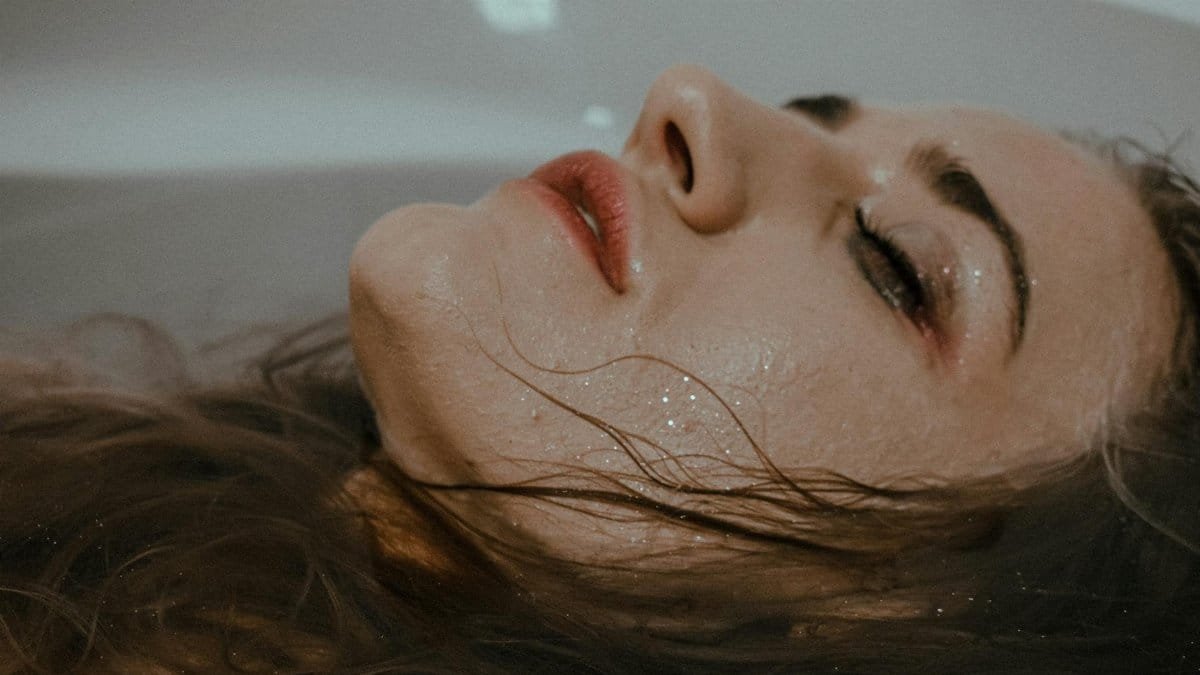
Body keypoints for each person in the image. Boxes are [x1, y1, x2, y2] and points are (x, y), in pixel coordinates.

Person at [2, 64, 1198, 673]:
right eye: (809, 110)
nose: (691, 97)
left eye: (896, 266)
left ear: (916, 627)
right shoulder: (109, 474)